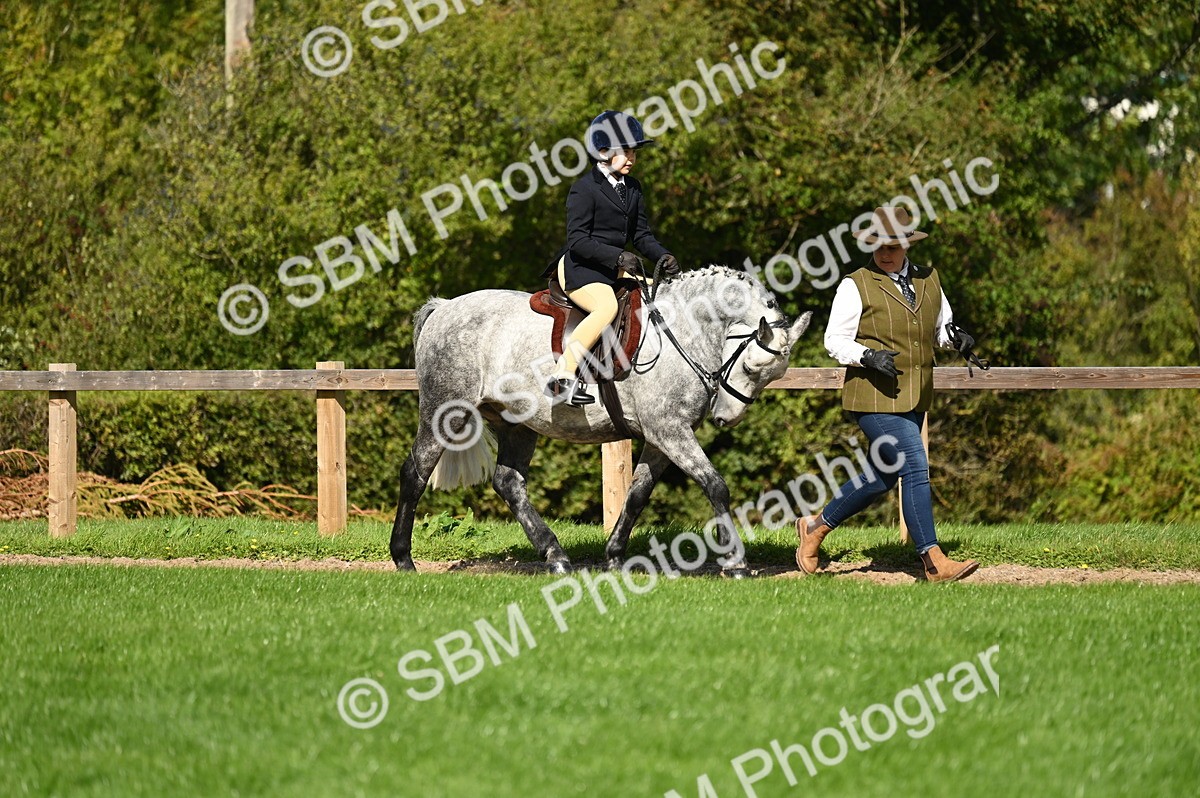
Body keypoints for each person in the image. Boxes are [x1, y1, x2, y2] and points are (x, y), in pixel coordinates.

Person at [795, 206, 980, 583]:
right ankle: (933, 561)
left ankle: (816, 527)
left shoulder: (930, 280)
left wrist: (955, 339)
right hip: (873, 397)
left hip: (915, 395)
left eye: (892, 246)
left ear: (907, 245)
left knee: (881, 477)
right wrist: (867, 355)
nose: (885, 253)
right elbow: (834, 340)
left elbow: (939, 329)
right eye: (878, 246)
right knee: (914, 463)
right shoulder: (855, 284)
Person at [542, 110, 679, 406]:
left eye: (633, 151)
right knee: (605, 307)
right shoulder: (584, 189)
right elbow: (577, 241)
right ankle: (561, 377)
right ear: (603, 153)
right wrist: (618, 257)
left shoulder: (633, 189)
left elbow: (641, 235)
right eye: (625, 151)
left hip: (615, 268)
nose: (631, 157)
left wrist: (663, 255)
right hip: (581, 268)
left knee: (661, 295)